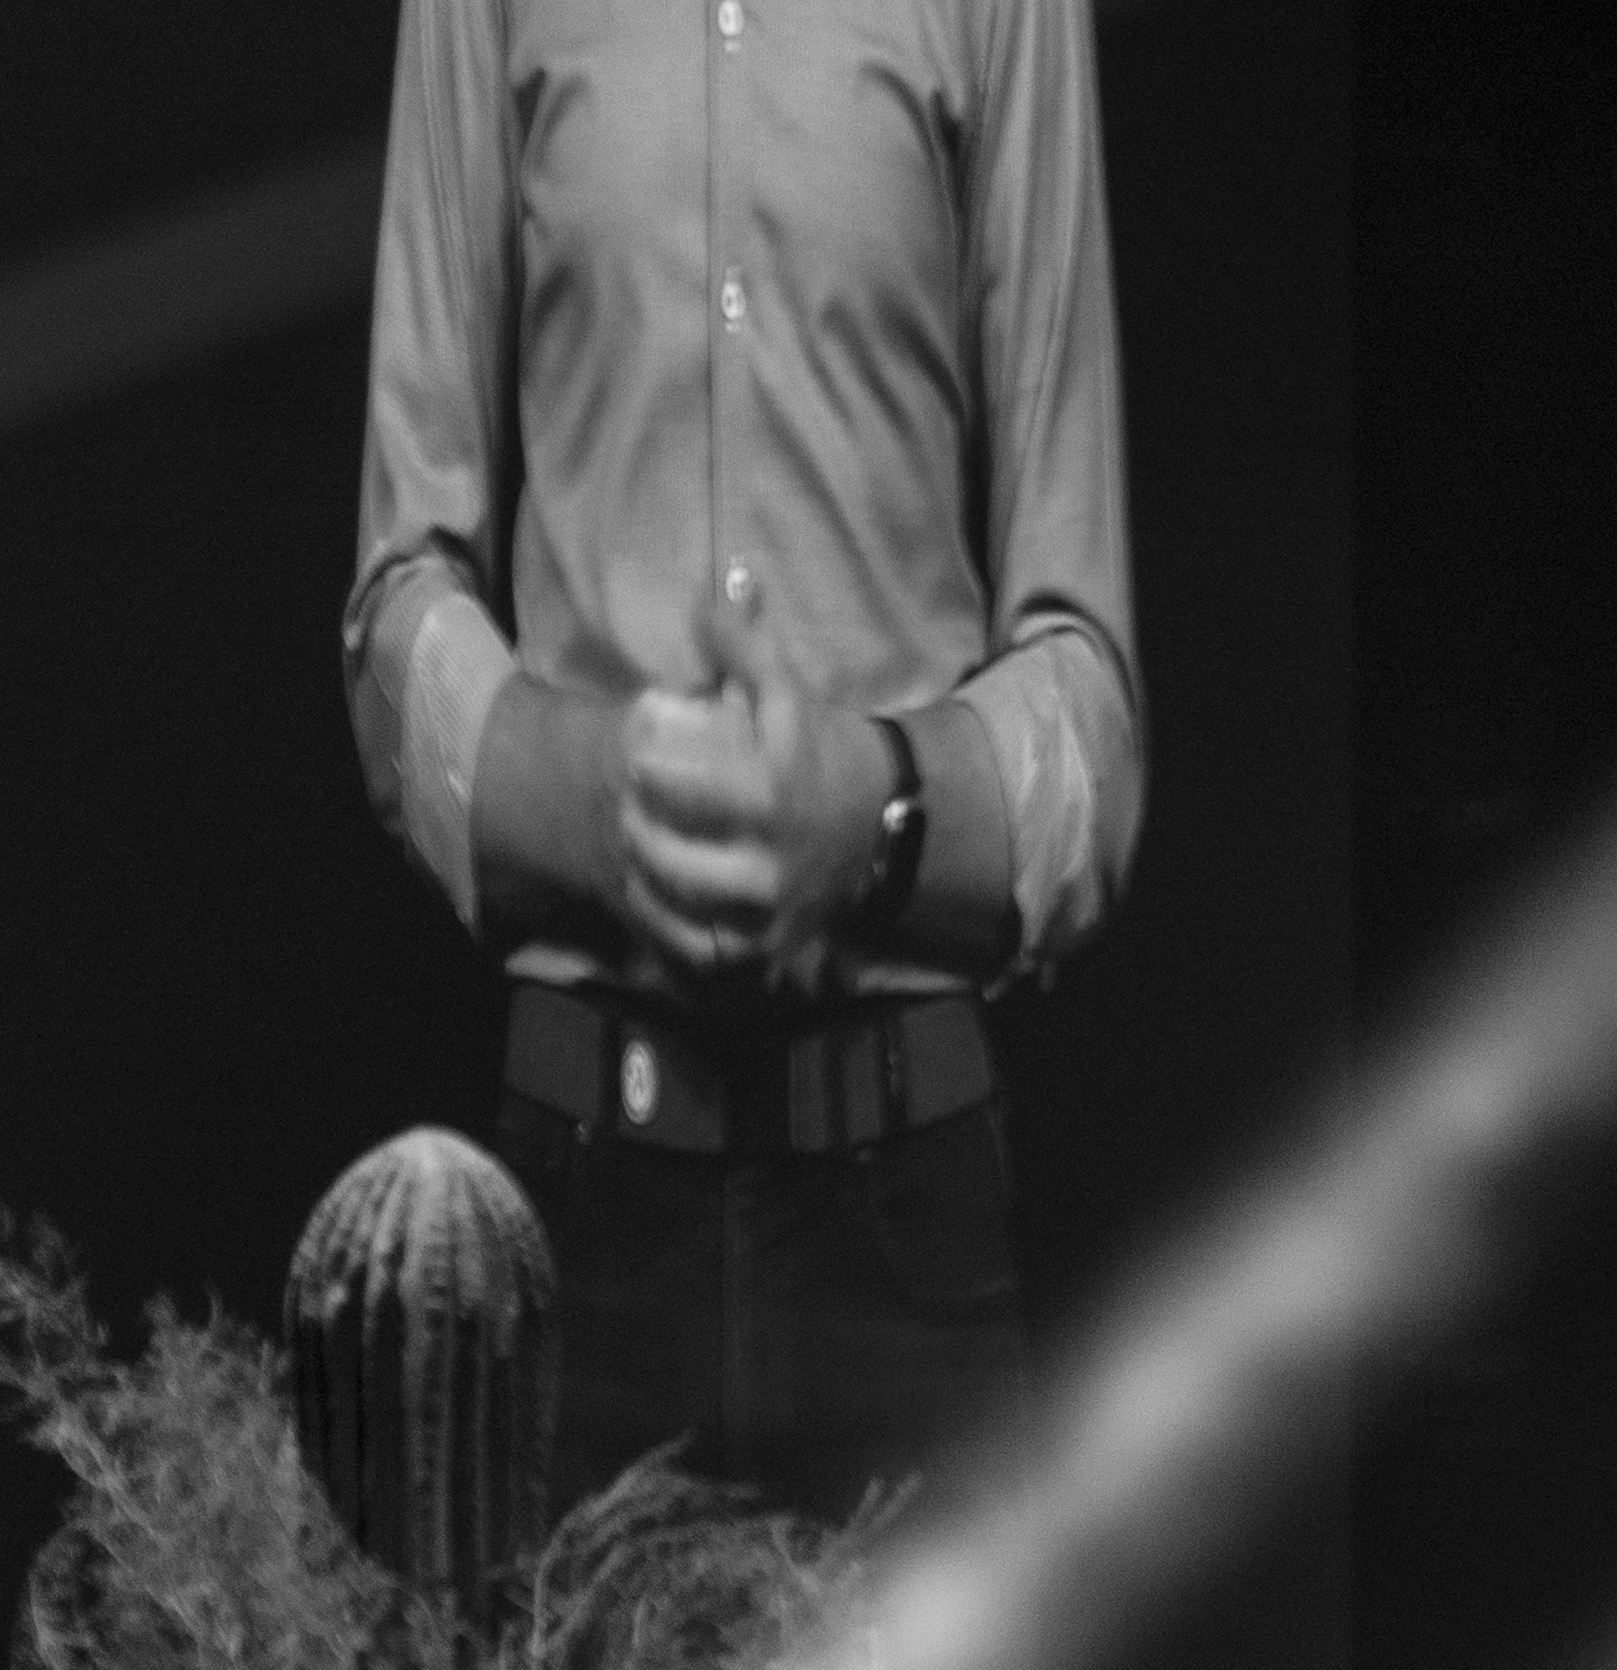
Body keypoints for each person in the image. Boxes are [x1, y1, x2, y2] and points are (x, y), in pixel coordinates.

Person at [339, 0, 1146, 1516]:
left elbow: (1092, 710)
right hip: (577, 1224)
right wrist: (595, 800)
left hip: (904, 1229)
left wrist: (875, 813)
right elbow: (396, 604)